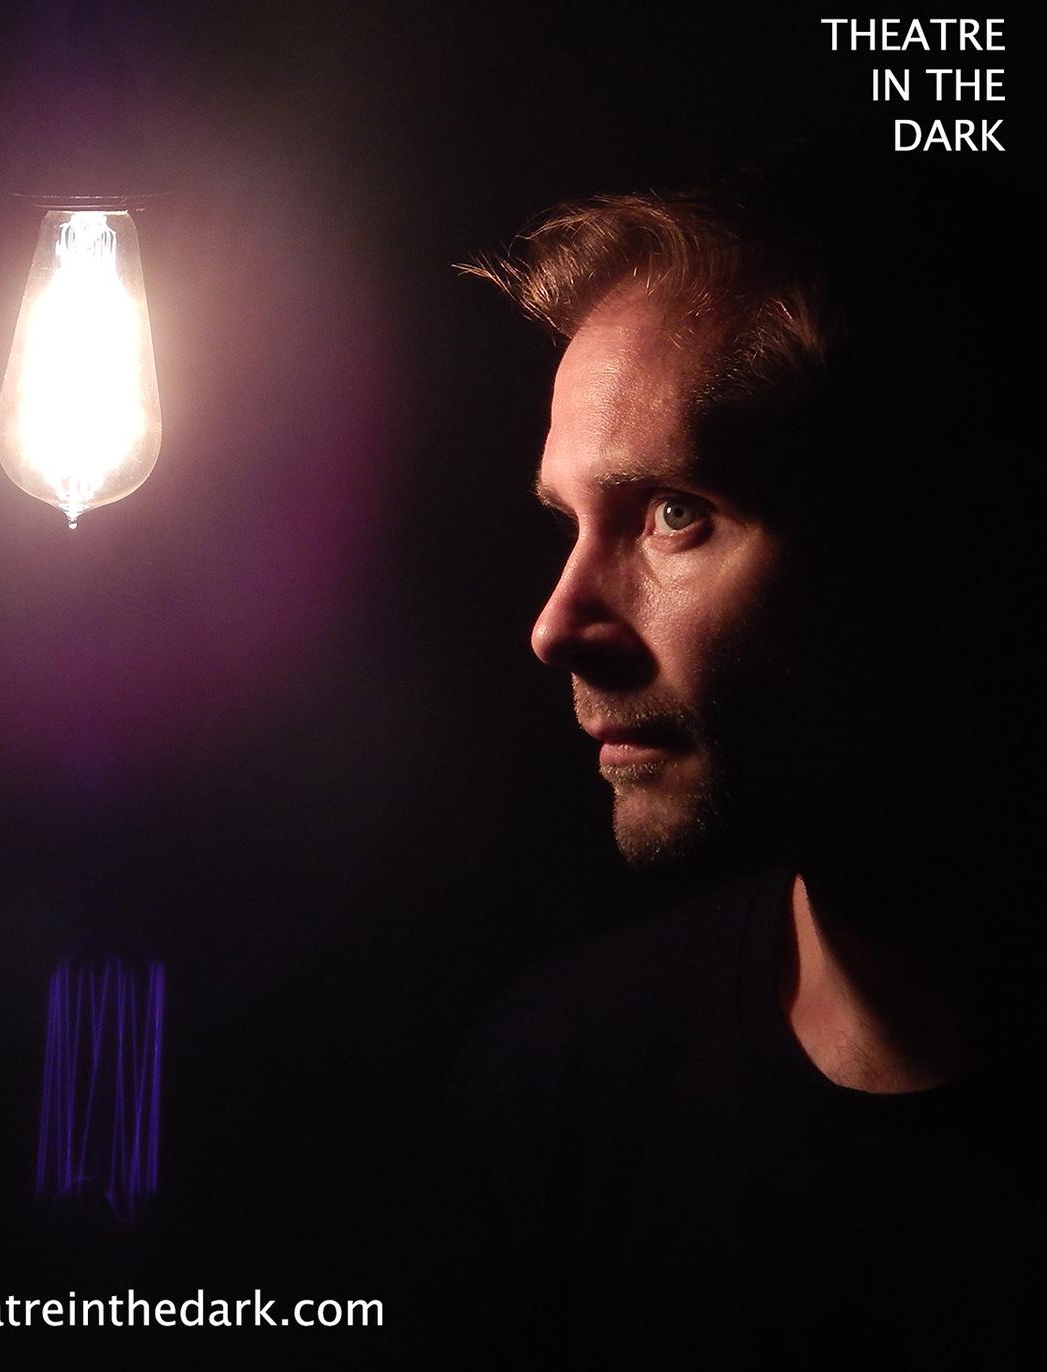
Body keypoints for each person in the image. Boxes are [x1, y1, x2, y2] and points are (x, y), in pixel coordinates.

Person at [438, 147, 1038, 1365]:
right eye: (568, 522)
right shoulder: (562, 1094)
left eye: (673, 512)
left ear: (930, 548)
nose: (556, 625)